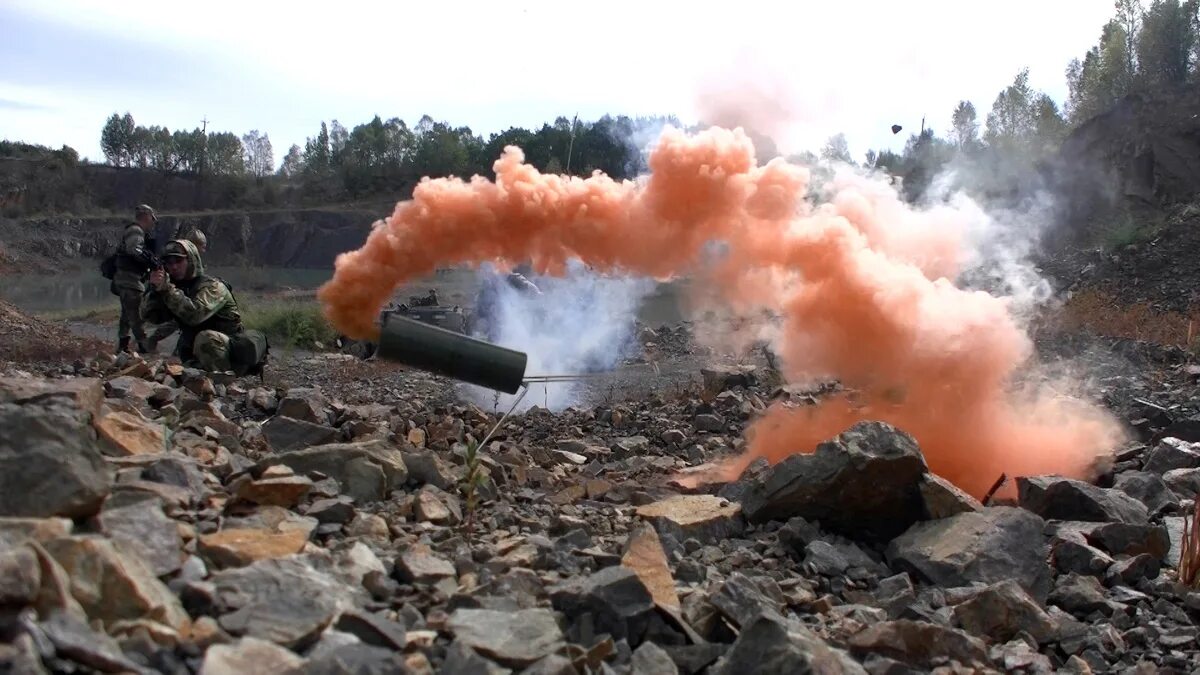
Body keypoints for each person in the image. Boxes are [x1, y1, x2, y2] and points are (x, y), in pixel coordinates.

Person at [141, 239, 268, 375]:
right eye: (169, 263)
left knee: (205, 338)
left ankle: (222, 379)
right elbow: (152, 317)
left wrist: (167, 289)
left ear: (190, 260)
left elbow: (194, 315)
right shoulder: (176, 288)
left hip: (230, 353)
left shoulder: (213, 286)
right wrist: (155, 289)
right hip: (197, 353)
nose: (174, 267)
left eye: (178, 261)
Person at [144, 228, 208, 353]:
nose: (202, 250)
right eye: (201, 246)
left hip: (184, 298)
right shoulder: (181, 261)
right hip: (177, 297)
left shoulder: (193, 263)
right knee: (180, 320)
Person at [112, 204, 165, 353]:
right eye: (152, 220)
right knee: (137, 314)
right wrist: (150, 261)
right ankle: (144, 345)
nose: (153, 223)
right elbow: (134, 250)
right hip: (130, 280)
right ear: (147, 217)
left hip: (127, 279)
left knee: (126, 314)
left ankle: (123, 346)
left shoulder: (136, 231)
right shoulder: (136, 230)